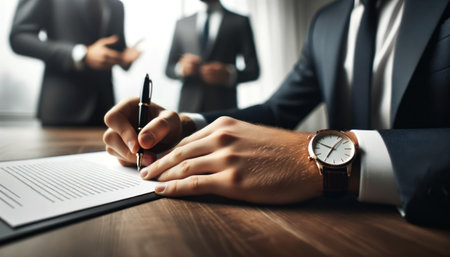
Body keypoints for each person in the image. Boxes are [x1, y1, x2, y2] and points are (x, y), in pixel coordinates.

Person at [103, 0, 450, 226]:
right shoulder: (326, 22)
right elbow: (276, 110)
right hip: (334, 222)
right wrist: (187, 126)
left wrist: (332, 160)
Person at [9, 0, 141, 126]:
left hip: (106, 111)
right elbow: (19, 37)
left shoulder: (116, 5)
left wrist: (123, 59)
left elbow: (114, 49)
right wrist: (81, 54)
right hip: (62, 109)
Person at [165, 0, 260, 112]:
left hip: (224, 108)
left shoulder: (239, 21)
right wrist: (181, 69)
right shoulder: (183, 23)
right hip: (187, 108)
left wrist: (229, 74)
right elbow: (168, 69)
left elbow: (254, 70)